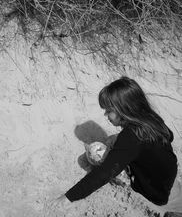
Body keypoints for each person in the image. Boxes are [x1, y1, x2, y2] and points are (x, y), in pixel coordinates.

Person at [47, 77, 182, 216]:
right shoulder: (151, 119)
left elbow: (105, 173)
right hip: (168, 176)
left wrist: (69, 197)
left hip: (154, 192)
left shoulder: (130, 136)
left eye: (108, 110)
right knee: (116, 141)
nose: (106, 115)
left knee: (96, 153)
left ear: (124, 109)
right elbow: (170, 136)